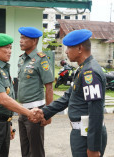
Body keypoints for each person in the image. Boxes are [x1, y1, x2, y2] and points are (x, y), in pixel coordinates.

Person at [37, 29, 107, 157]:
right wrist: (44, 112)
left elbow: (96, 112)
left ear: (80, 48)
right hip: (80, 134)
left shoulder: (89, 72)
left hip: (87, 137)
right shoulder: (83, 69)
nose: (66, 51)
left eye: (69, 47)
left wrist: (93, 147)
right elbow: (68, 97)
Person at [0, 33, 43, 157]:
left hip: (3, 123)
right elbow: (3, 100)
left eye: (10, 47)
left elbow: (8, 99)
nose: (9, 51)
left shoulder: (3, 69)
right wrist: (29, 113)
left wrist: (9, 123)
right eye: (6, 48)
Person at [17, 27, 54, 157]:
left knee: (36, 151)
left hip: (36, 111)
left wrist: (48, 114)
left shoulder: (41, 60)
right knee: (25, 151)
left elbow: (49, 87)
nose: (20, 41)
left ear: (34, 41)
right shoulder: (22, 59)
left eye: (24, 38)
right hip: (22, 111)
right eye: (20, 37)